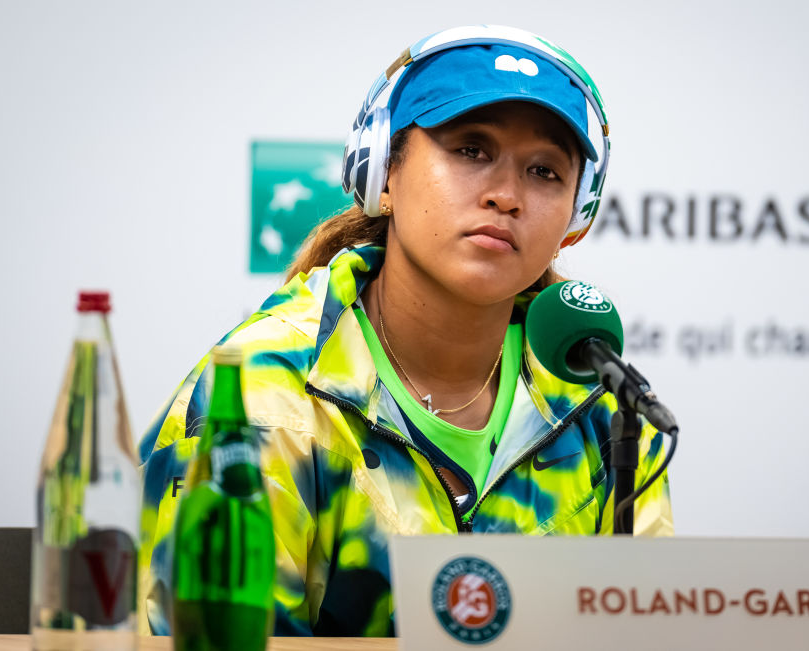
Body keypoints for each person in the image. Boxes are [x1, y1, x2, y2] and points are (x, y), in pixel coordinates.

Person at [138, 25, 674, 637]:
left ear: (576, 215)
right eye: (471, 150)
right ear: (383, 173)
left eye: (545, 171)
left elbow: (647, 635)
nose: (506, 195)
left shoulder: (602, 403)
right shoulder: (264, 395)